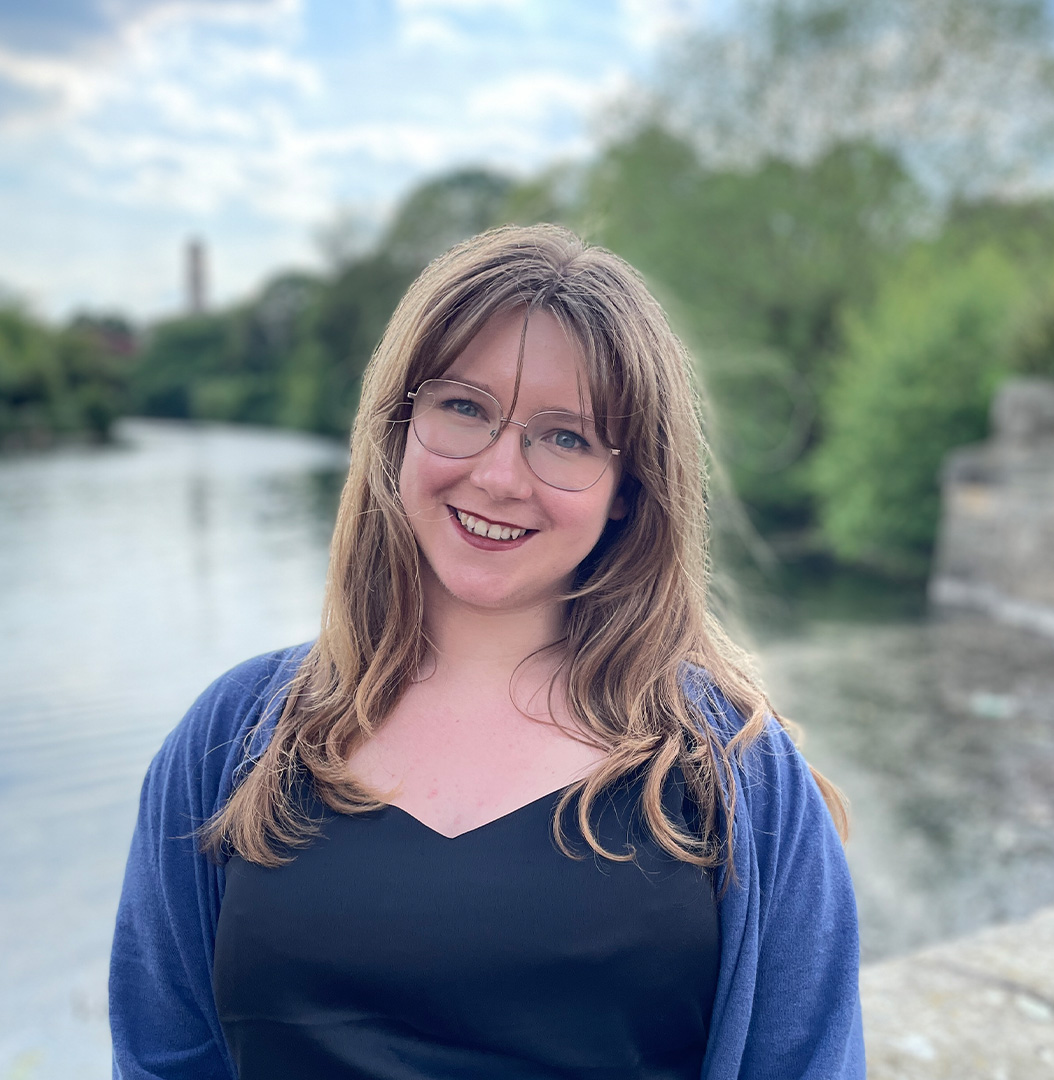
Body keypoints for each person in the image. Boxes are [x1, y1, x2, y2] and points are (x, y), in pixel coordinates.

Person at [109, 224, 864, 1079]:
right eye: (464, 407)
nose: (501, 475)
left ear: (629, 491)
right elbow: (164, 1055)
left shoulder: (735, 775)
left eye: (567, 437)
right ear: (398, 430)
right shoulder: (232, 739)